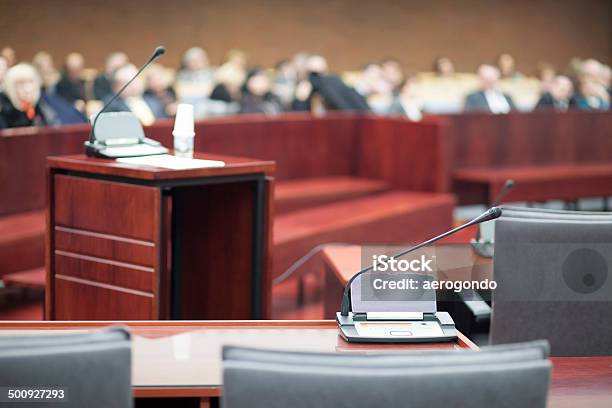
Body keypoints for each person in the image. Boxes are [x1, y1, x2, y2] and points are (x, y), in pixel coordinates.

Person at [0, 63, 59, 128]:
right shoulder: (4, 111)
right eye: (20, 83)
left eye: (30, 82)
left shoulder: (42, 106)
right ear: (10, 87)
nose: (27, 89)